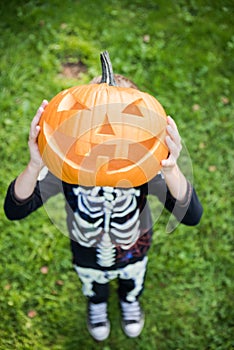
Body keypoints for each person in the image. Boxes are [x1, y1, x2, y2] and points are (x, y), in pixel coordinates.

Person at [4, 76, 203, 342]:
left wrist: (171, 169)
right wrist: (35, 165)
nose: (107, 134)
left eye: (127, 120)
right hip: (86, 256)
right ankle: (97, 306)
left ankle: (129, 302)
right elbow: (16, 209)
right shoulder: (66, 169)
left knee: (132, 285)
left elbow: (191, 215)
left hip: (135, 253)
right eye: (92, 121)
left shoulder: (146, 169)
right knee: (93, 288)